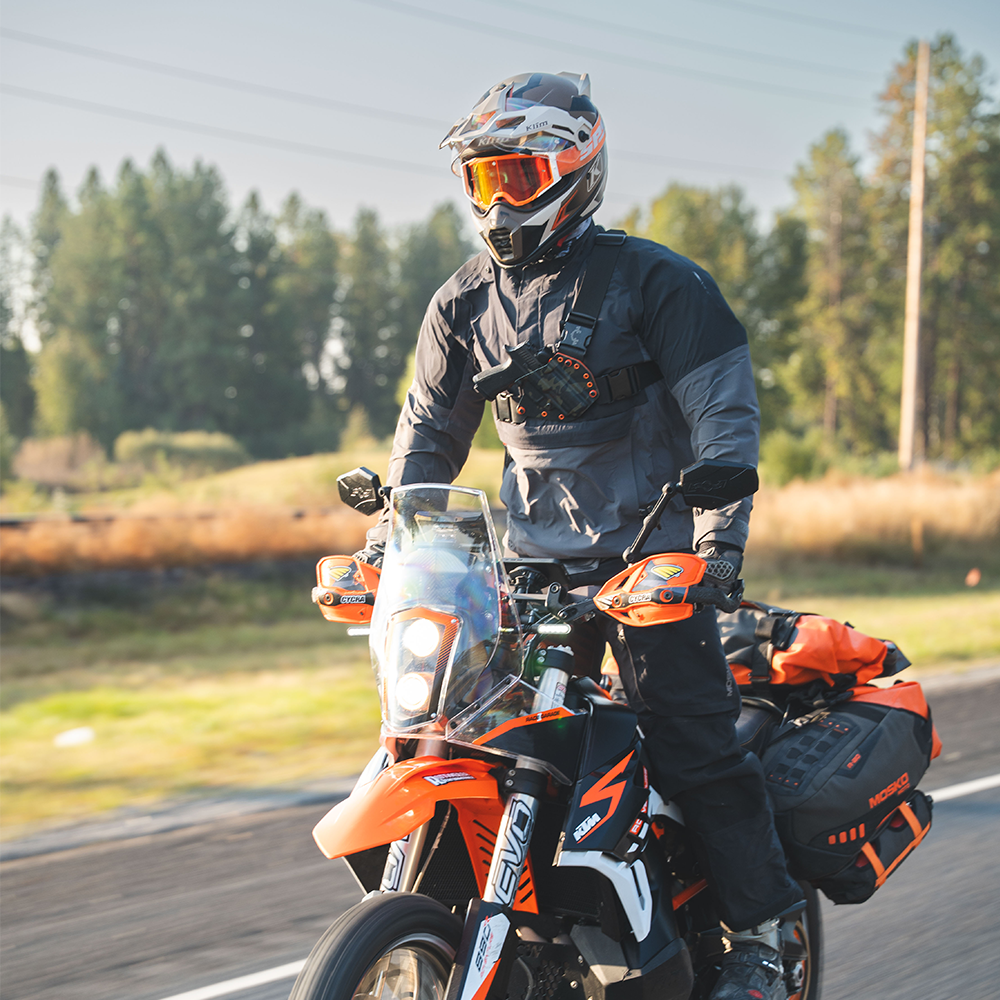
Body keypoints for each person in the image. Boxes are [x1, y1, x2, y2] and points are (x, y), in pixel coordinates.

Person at [355, 72, 804, 1000]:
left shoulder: (661, 283)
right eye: (483, 182)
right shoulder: (461, 305)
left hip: (649, 567)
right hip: (516, 575)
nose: (500, 200)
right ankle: (499, 928)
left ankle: (761, 934)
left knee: (691, 744)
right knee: (449, 739)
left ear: (576, 168)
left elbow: (723, 420)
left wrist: (716, 541)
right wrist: (392, 547)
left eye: (519, 176)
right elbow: (428, 442)